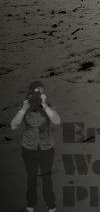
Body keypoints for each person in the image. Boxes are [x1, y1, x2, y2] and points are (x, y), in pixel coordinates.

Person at [11, 80, 61, 212]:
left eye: (43, 92)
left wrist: (44, 105)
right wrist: (23, 110)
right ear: (30, 93)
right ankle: (31, 203)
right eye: (37, 92)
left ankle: (51, 204)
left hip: (47, 148)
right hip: (28, 149)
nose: (40, 94)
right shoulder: (24, 107)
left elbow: (57, 121)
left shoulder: (48, 106)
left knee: (47, 178)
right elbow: (13, 125)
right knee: (31, 177)